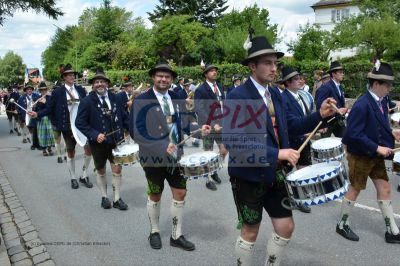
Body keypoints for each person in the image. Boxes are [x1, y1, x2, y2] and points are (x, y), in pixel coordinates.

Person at [222, 35, 336, 266]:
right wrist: (278, 154)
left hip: (276, 175)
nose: (274, 69)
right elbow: (234, 142)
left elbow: (291, 127)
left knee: (286, 227)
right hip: (249, 176)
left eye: (276, 64)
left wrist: (320, 116)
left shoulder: (276, 94)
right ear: (252, 66)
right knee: (250, 230)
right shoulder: (237, 96)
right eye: (268, 63)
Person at [130, 60, 211, 251]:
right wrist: (161, 147)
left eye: (167, 76)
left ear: (171, 79)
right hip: (153, 158)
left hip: (176, 156)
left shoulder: (176, 97)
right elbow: (136, 131)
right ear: (153, 77)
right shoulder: (142, 100)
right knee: (155, 193)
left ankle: (176, 235)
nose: (163, 79)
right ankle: (154, 231)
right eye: (160, 75)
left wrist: (199, 129)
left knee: (180, 193)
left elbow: (185, 124)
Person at [335, 61, 400, 244]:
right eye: (387, 84)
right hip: (360, 155)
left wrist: (393, 133)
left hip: (375, 156)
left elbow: (379, 126)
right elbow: (353, 134)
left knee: (385, 188)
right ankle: (341, 224)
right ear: (376, 84)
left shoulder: (381, 101)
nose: (390, 88)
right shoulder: (362, 104)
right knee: (355, 189)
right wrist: (377, 147)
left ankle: (391, 230)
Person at [30, 64, 93, 189]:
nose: (72, 76)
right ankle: (73, 177)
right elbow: (49, 108)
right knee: (71, 152)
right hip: (67, 126)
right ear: (64, 77)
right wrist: (37, 113)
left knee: (89, 150)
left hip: (82, 126)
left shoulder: (80, 90)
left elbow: (88, 106)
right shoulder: (58, 92)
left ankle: (84, 175)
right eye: (69, 75)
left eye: (73, 75)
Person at [76, 69, 129, 210]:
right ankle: (104, 197)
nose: (100, 84)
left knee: (117, 169)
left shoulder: (115, 97)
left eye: (102, 81)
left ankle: (117, 198)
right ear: (93, 85)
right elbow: (79, 123)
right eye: (96, 82)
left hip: (116, 140)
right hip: (98, 143)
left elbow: (124, 117)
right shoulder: (86, 101)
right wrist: (94, 134)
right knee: (101, 170)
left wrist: (135, 132)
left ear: (107, 83)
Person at [281, 66, 316, 214]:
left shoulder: (301, 95)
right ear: (288, 82)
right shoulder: (284, 98)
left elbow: (305, 116)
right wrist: (305, 130)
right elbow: (290, 122)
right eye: (295, 79)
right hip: (292, 141)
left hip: (304, 139)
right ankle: (290, 196)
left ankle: (301, 197)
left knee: (304, 170)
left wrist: (315, 127)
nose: (299, 81)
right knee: (288, 173)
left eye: (299, 78)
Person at [194, 63, 228, 191]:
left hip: (222, 124)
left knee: (224, 149)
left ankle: (214, 169)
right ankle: (208, 179)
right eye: (211, 71)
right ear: (205, 74)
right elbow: (199, 109)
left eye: (215, 70)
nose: (214, 72)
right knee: (208, 152)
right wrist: (213, 124)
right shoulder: (200, 90)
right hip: (208, 126)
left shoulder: (219, 86)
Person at [316, 61, 348, 138]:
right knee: (324, 146)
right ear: (333, 74)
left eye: (343, 72)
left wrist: (344, 110)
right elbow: (319, 106)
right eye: (340, 72)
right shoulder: (326, 87)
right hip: (327, 122)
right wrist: (321, 124)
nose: (342, 74)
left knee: (345, 141)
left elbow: (340, 103)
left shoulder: (340, 86)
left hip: (338, 121)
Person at [35, 82, 55, 156]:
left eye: (44, 90)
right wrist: (35, 105)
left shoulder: (50, 98)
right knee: (42, 135)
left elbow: (50, 109)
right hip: (41, 119)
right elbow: (36, 110)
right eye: (42, 90)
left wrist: (46, 102)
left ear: (46, 90)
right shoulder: (37, 98)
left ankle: (49, 148)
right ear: (40, 91)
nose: (43, 91)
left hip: (49, 118)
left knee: (50, 134)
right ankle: (44, 149)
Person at [17, 83, 39, 147]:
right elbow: (19, 108)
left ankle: (36, 142)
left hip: (35, 115)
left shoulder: (36, 96)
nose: (29, 90)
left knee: (36, 129)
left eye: (30, 89)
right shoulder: (22, 98)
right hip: (26, 116)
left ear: (32, 90)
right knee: (31, 130)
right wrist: (20, 113)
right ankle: (33, 143)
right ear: (26, 90)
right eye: (28, 89)